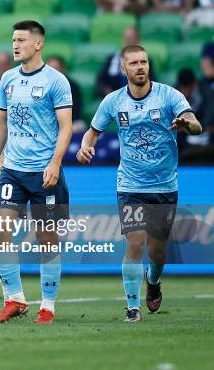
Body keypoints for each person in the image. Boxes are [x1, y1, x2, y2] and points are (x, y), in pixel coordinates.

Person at [77, 45, 202, 322]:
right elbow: (92, 132)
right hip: (130, 185)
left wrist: (186, 123)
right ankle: (132, 307)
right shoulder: (113, 102)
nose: (140, 67)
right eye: (134, 63)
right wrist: (85, 147)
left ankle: (153, 281)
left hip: (164, 185)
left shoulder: (169, 95)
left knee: (157, 252)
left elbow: (196, 124)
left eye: (144, 62)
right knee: (134, 243)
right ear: (123, 69)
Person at [0, 20, 73, 325]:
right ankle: (15, 298)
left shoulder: (56, 81)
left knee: (47, 239)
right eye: (13, 39)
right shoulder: (8, 79)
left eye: (21, 40)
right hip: (12, 169)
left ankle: (47, 305)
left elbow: (65, 128)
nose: (15, 45)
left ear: (38, 44)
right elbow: (1, 122)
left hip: (43, 172)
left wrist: (55, 162)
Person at [96, 26, 156, 99]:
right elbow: (100, 80)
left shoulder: (145, 61)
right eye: (127, 39)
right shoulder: (112, 58)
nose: (128, 42)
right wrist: (107, 91)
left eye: (131, 39)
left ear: (137, 40)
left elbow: (151, 83)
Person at [180, 43, 214, 160]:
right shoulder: (203, 84)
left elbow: (209, 114)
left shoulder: (204, 90)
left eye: (207, 61)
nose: (204, 63)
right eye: (203, 60)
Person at [46, 55, 85, 133]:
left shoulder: (72, 86)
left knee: (79, 126)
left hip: (69, 121)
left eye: (56, 68)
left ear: (63, 69)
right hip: (46, 122)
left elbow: (75, 109)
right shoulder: (39, 85)